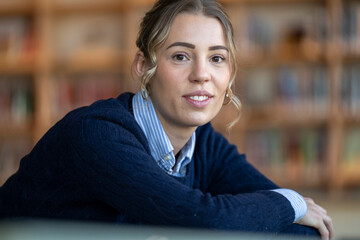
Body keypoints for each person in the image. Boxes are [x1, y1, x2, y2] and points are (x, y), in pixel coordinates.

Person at [0, 0, 333, 239]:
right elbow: (205, 220)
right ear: (143, 67)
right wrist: (292, 200)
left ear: (230, 73)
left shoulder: (203, 143)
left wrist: (286, 209)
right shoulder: (96, 135)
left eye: (217, 58)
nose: (202, 74)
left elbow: (293, 227)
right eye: (181, 56)